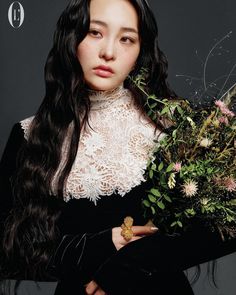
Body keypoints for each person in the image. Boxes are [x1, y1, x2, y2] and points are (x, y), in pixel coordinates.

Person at [0, 0, 235, 294]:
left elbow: (226, 227)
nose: (108, 52)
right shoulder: (29, 135)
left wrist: (127, 266)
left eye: (126, 39)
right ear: (71, 38)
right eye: (94, 32)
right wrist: (102, 244)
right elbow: (8, 253)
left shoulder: (173, 127)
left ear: (140, 53)